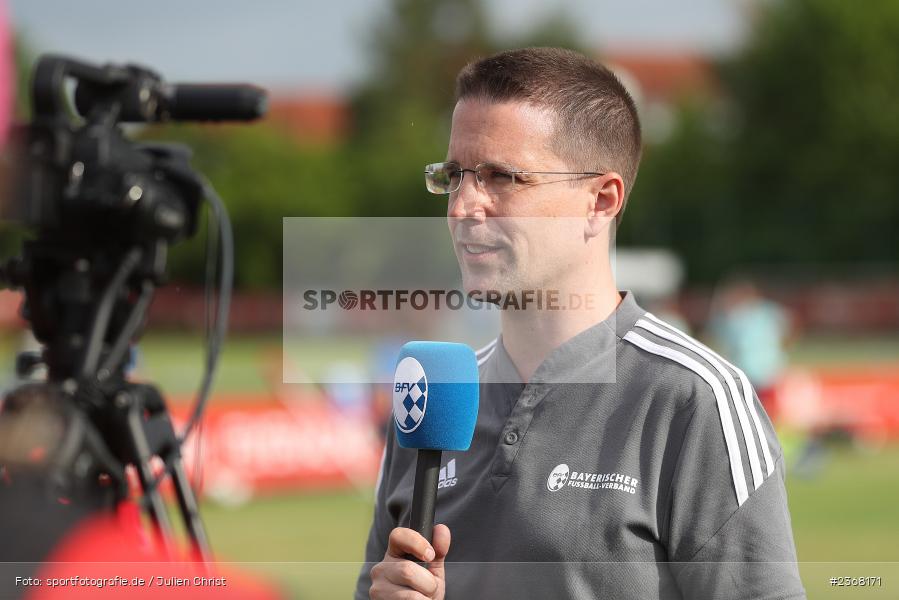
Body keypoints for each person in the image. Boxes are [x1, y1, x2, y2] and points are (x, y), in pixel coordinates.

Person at [356, 47, 805, 599]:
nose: (462, 206)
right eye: (454, 176)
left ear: (600, 200)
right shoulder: (429, 395)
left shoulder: (695, 401)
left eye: (502, 177)